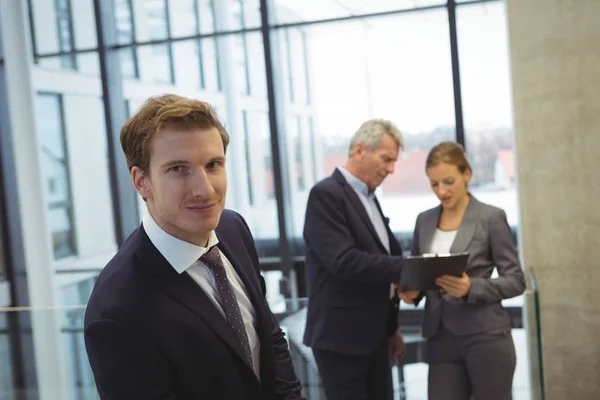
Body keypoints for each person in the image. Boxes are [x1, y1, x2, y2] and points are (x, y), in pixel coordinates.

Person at [84, 94, 304, 399]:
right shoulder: (117, 309)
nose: (205, 189)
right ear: (141, 182)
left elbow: (268, 336)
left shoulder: (233, 228)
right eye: (178, 169)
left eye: (213, 164)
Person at [399, 141, 526, 400]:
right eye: (434, 184)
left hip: (485, 337)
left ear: (466, 174)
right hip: (440, 338)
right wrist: (412, 291)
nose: (441, 191)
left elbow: (516, 280)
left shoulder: (491, 217)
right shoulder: (424, 220)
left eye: (448, 181)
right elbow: (419, 273)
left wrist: (472, 288)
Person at [302, 119, 406, 400]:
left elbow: (383, 258)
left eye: (394, 161)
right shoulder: (326, 194)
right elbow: (343, 260)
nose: (391, 169)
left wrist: (390, 329)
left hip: (374, 338)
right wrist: (407, 268)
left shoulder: (369, 198)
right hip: (342, 340)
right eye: (386, 159)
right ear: (359, 150)